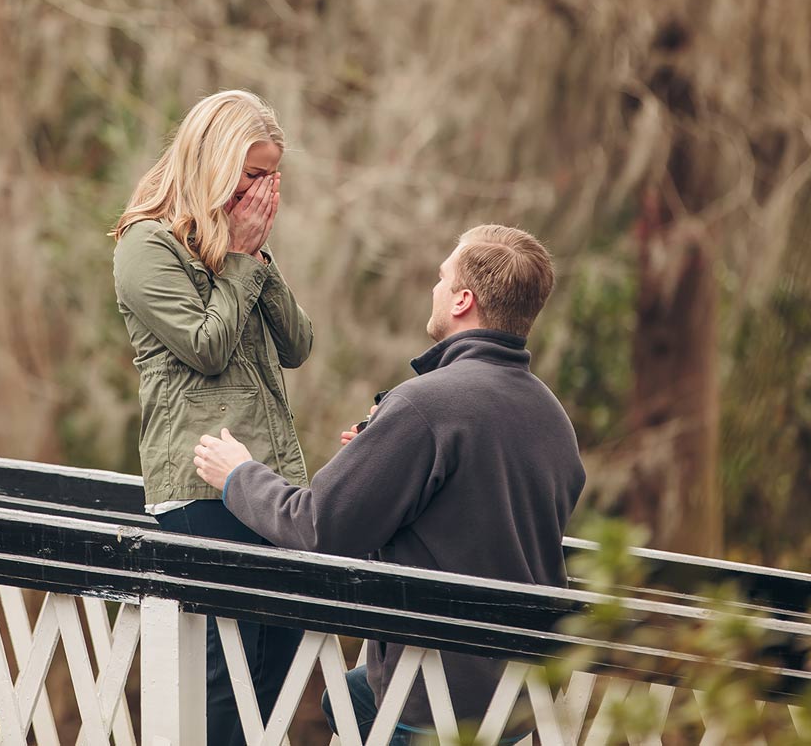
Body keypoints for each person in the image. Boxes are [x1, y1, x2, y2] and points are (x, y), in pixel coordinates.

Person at [194, 224, 585, 744]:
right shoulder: (551, 416)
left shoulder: (426, 404)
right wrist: (389, 461)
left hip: (434, 697)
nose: (434, 288)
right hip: (519, 694)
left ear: (464, 300)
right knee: (348, 698)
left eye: (442, 278)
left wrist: (238, 475)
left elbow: (317, 526)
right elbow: (481, 515)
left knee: (357, 701)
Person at [111, 89, 313, 746]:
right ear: (216, 164)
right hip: (202, 494)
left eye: (273, 177)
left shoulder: (245, 255)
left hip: (274, 489)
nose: (264, 191)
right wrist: (235, 260)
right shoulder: (146, 246)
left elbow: (298, 345)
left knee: (274, 695)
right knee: (222, 702)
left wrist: (255, 257)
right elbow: (204, 346)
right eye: (253, 175)